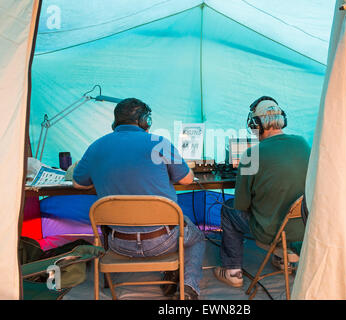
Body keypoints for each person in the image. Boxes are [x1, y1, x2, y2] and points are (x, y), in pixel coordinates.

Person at [72, 98, 205, 299]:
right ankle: (188, 286)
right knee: (198, 237)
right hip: (164, 240)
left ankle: (168, 275)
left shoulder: (96, 146)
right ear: (146, 121)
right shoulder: (159, 143)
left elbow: (78, 184)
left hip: (118, 242)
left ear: (115, 122)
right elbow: (186, 179)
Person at [213, 96, 310, 287]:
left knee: (229, 209)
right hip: (305, 229)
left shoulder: (250, 155)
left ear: (255, 125)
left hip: (272, 233)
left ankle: (232, 271)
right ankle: (284, 258)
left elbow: (241, 205)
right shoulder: (303, 144)